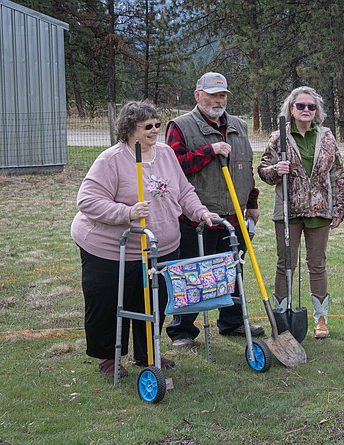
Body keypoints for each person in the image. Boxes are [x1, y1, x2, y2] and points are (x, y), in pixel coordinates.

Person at [72, 101, 219, 377]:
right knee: (108, 302)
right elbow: (87, 200)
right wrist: (126, 212)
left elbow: (184, 191)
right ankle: (108, 357)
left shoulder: (165, 154)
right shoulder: (111, 160)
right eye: (147, 126)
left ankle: (147, 352)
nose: (154, 131)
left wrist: (200, 212)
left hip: (160, 247)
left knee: (152, 301)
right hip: (111, 249)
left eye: (157, 125)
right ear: (129, 130)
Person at [165, 72, 266, 349]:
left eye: (222, 95)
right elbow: (173, 166)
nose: (218, 100)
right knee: (192, 274)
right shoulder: (181, 126)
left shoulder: (238, 126)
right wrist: (210, 150)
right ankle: (182, 330)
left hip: (233, 215)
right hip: (195, 216)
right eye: (211, 94)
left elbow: (245, 167)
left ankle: (232, 321)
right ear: (198, 95)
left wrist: (253, 202)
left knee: (233, 271)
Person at [257, 86, 344, 339]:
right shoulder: (279, 137)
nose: (306, 110)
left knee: (317, 265)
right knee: (285, 263)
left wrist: (338, 207)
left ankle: (320, 318)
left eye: (311, 106)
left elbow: (337, 173)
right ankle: (281, 317)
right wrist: (277, 169)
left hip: (320, 211)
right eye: (301, 106)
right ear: (291, 109)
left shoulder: (327, 136)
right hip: (288, 211)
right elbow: (263, 171)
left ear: (316, 110)